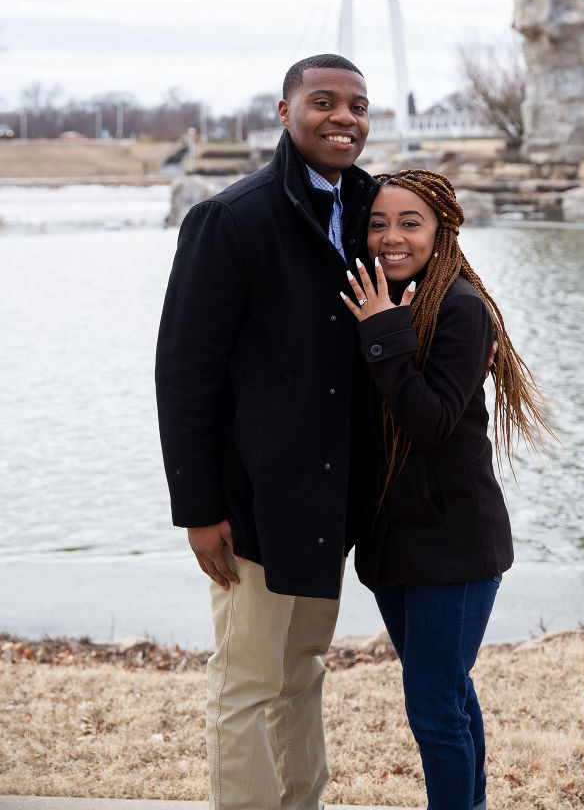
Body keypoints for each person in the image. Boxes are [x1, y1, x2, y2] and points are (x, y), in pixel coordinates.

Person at [155, 53, 378, 810]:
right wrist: (197, 509)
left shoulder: (373, 208)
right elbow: (184, 372)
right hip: (252, 499)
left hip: (332, 497)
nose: (343, 117)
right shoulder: (231, 217)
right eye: (323, 102)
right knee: (247, 678)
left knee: (304, 667)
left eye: (357, 104)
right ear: (285, 114)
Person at [340, 168, 551, 810]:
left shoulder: (461, 309)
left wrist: (383, 333)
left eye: (410, 223)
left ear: (442, 230)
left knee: (433, 704)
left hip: (454, 543)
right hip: (392, 541)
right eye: (378, 224)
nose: (391, 238)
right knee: (448, 693)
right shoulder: (370, 297)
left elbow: (429, 423)